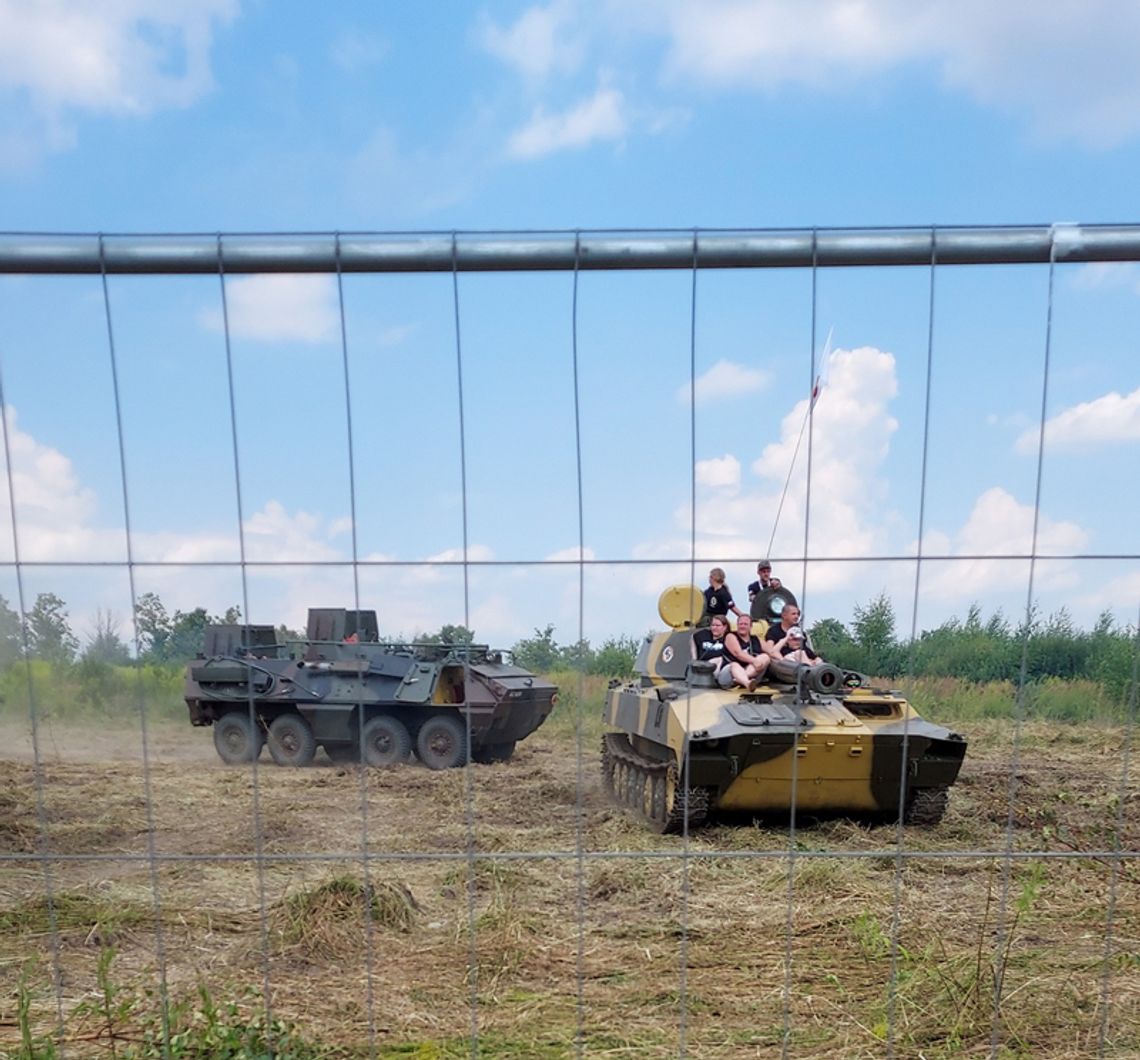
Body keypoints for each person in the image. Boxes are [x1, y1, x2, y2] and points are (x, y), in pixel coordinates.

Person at [723, 613, 770, 689]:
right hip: (731, 674)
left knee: (765, 657)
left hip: (750, 673)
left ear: (751, 626)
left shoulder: (755, 639)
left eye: (745, 624)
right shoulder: (731, 636)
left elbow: (772, 652)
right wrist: (755, 661)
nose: (742, 626)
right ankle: (746, 682)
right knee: (735, 665)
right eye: (740, 624)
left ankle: (741, 679)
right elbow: (738, 653)